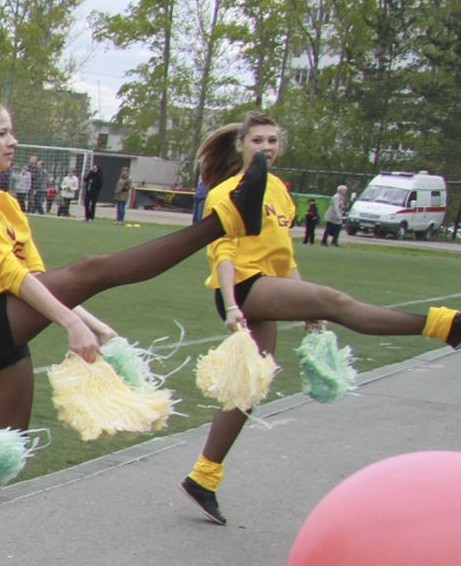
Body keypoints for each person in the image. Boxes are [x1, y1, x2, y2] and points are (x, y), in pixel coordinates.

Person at [0, 97, 271, 566]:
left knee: (2, 457)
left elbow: (36, 277)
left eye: (12, 133)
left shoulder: (4, 202)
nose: (13, 142)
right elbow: (13, 277)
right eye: (2, 134)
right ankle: (225, 220)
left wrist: (93, 325)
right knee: (94, 268)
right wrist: (71, 323)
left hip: (8, 327)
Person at [180, 113, 459, 525]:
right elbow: (222, 251)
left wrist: (304, 302)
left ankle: (203, 477)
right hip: (242, 289)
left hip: (270, 286)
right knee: (336, 301)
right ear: (240, 145)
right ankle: (447, 325)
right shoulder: (228, 189)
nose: (266, 147)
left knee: (250, 386)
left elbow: (285, 258)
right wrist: (232, 304)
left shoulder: (279, 190)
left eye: (273, 140)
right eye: (257, 139)